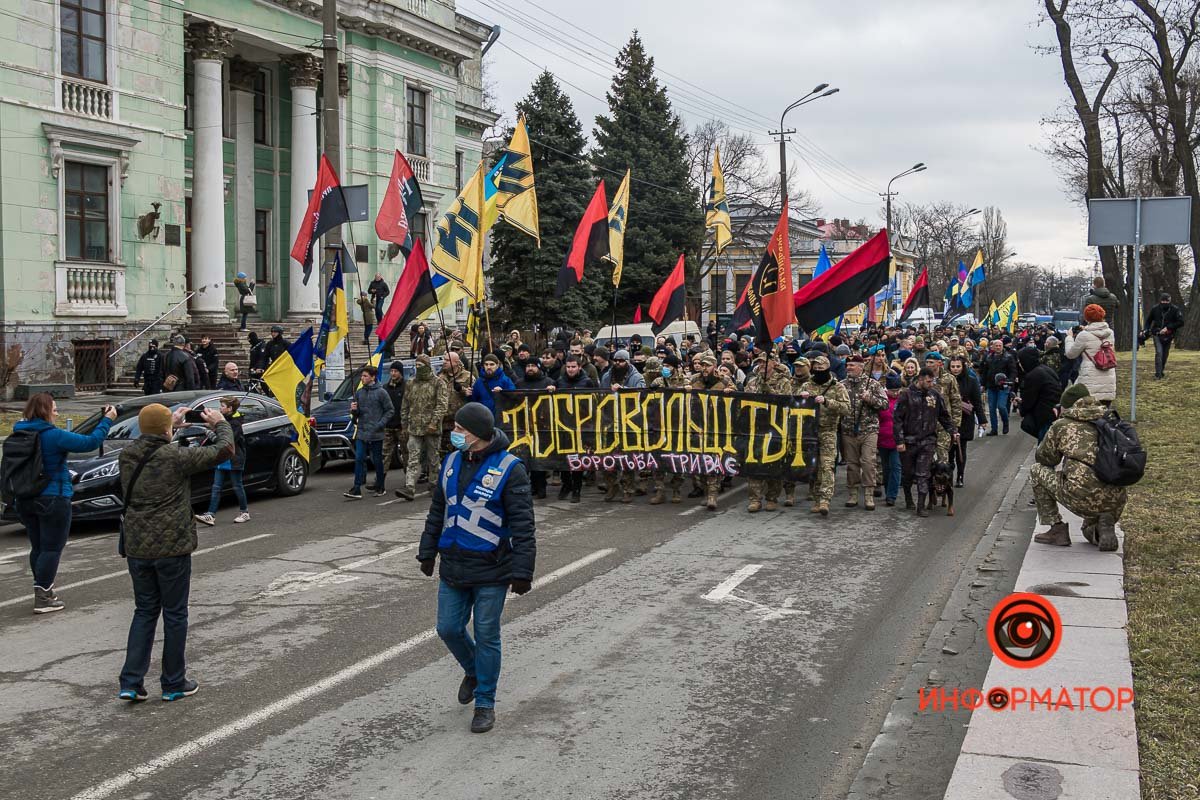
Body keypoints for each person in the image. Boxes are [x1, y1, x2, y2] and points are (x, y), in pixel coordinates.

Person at [417, 402, 536, 734]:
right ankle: (473, 670)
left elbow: (524, 525)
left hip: (493, 568)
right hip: (454, 564)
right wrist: (427, 551)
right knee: (448, 628)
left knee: (486, 635)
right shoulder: (452, 461)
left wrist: (523, 571)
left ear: (478, 434)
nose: (453, 434)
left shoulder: (510, 468)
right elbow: (438, 509)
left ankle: (485, 702)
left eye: (459, 429)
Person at [117, 403, 233, 702]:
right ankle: (173, 681)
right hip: (171, 547)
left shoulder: (127, 455)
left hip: (138, 547)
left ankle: (131, 681)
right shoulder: (175, 457)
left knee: (144, 611)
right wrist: (220, 423)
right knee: (175, 613)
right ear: (166, 430)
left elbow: (152, 441)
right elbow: (223, 450)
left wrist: (169, 426)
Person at [9, 394, 115, 613]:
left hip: (25, 498)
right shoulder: (53, 435)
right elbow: (90, 443)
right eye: (54, 408)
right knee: (52, 547)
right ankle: (44, 597)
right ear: (45, 411)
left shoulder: (19, 432)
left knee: (38, 546)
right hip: (53, 498)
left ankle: (43, 590)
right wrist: (107, 420)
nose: (57, 412)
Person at [1031, 384, 1125, 551]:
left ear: (1067, 406)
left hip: (1081, 496)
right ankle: (1102, 525)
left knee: (1037, 470)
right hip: (1115, 499)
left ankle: (1057, 529)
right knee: (1087, 531)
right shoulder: (1111, 420)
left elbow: (1045, 459)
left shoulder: (1062, 425)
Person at [894, 367, 958, 517]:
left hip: (928, 440)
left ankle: (921, 506)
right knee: (908, 473)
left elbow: (944, 416)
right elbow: (897, 420)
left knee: (923, 473)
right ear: (920, 379)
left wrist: (953, 431)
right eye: (929, 381)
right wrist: (899, 440)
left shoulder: (935, 395)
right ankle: (909, 498)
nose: (931, 383)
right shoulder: (906, 395)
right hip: (909, 441)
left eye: (933, 380)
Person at [794, 355, 850, 516]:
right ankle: (817, 499)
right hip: (809, 432)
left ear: (828, 369)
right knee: (814, 466)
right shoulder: (807, 385)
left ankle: (825, 499)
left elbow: (846, 408)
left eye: (822, 369)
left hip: (828, 430)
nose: (819, 371)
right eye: (816, 369)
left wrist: (827, 401)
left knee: (827, 466)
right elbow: (794, 404)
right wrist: (801, 397)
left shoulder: (837, 387)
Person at [743, 352, 794, 512]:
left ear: (774, 363)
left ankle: (772, 497)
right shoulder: (752, 382)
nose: (761, 365)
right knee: (754, 464)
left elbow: (788, 402)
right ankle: (754, 498)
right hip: (756, 427)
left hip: (776, 428)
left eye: (765, 362)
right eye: (759, 362)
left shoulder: (784, 382)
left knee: (774, 463)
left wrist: (770, 391)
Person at [396, 355, 449, 501]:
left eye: (421, 365)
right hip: (414, 427)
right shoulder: (411, 383)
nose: (418, 368)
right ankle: (409, 487)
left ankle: (434, 484)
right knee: (413, 457)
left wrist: (434, 422)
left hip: (431, 428)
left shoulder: (438, 383)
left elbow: (442, 405)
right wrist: (404, 425)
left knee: (433, 458)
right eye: (416, 365)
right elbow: (405, 405)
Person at [839, 355, 888, 510]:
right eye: (847, 365)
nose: (848, 368)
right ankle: (853, 494)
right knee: (852, 464)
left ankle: (868, 494)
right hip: (848, 429)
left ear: (861, 367)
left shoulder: (872, 384)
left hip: (869, 429)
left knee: (868, 462)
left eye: (852, 365)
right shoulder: (841, 385)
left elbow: (885, 404)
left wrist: (870, 399)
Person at [689, 353, 737, 510]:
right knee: (699, 461)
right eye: (702, 365)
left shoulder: (724, 380)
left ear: (714, 366)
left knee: (713, 460)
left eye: (707, 365)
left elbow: (737, 395)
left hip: (717, 427)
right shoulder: (694, 380)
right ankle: (704, 490)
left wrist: (731, 392)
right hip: (697, 426)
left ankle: (712, 495)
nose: (704, 368)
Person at [194, 397, 250, 525]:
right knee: (216, 487)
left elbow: (226, 442)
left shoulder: (236, 424)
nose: (220, 409)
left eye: (222, 406)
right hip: (222, 458)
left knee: (237, 486)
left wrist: (211, 434)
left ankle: (244, 512)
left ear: (230, 409)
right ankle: (211, 515)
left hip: (234, 459)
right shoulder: (223, 422)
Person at [344, 365, 394, 499]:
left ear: (373, 377)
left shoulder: (381, 392)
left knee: (377, 460)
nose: (362, 378)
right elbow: (357, 414)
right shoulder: (360, 393)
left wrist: (380, 424)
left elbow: (390, 410)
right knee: (359, 458)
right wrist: (354, 410)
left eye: (365, 376)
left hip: (376, 433)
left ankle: (380, 486)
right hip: (362, 431)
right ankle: (356, 488)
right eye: (362, 376)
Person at [553, 356, 598, 503]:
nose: (571, 369)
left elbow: (595, 401)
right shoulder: (560, 382)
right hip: (564, 425)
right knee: (563, 458)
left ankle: (577, 489)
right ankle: (567, 484)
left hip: (581, 426)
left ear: (579, 367)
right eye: (568, 367)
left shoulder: (587, 382)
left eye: (573, 367)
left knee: (577, 458)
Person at [1064, 304, 1116, 404]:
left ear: (1086, 318)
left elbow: (1071, 354)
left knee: (1090, 414)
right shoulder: (1110, 333)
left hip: (1090, 379)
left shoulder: (1083, 335)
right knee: (1104, 412)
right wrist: (1087, 329)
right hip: (1108, 378)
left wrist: (1069, 338)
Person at [948, 355, 986, 487]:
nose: (955, 369)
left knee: (960, 448)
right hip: (947, 419)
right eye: (953, 366)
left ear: (962, 366)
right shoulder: (945, 380)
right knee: (948, 450)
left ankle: (960, 476)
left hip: (965, 418)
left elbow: (977, 401)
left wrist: (982, 419)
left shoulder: (971, 380)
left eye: (958, 366)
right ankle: (948, 475)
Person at [1017, 346, 1062, 443]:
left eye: (1020, 361)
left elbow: (1029, 400)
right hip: (1054, 412)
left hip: (1044, 416)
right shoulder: (1047, 369)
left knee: (1044, 448)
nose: (1019, 364)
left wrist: (1021, 408)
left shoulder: (1033, 375)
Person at [924, 352, 961, 463]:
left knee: (942, 455)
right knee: (926, 456)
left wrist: (955, 425)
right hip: (926, 423)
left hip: (944, 423)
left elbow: (956, 401)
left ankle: (943, 479)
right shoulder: (922, 378)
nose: (928, 365)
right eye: (927, 362)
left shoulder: (949, 379)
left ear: (939, 363)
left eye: (931, 362)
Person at [439, 351, 476, 454]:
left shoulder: (468, 377)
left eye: (447, 360)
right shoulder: (440, 377)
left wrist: (463, 390)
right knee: (444, 454)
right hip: (444, 422)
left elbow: (474, 394)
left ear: (456, 362)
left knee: (462, 452)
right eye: (444, 360)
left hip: (460, 422)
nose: (444, 362)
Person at [979, 338, 1017, 435]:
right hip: (991, 386)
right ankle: (994, 429)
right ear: (992, 347)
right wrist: (983, 384)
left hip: (1003, 386)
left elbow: (1013, 371)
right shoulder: (988, 357)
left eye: (1000, 345)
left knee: (1001, 406)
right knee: (991, 409)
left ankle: (1005, 422)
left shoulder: (1008, 357)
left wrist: (1010, 381)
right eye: (996, 345)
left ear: (1002, 346)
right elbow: (984, 372)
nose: (998, 347)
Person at [1143, 292, 1184, 379]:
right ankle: (1158, 374)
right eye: (1163, 301)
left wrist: (1168, 327)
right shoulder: (1155, 309)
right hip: (1156, 334)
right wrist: (1146, 330)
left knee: (1164, 354)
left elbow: (1180, 322)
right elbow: (1148, 320)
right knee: (1159, 352)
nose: (1165, 303)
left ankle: (1161, 370)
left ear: (1170, 301)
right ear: (1160, 301)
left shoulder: (1175, 309)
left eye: (1167, 301)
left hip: (1169, 335)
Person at [878, 373, 902, 506]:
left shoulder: (903, 399)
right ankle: (888, 491)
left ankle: (892, 495)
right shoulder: (882, 400)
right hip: (882, 439)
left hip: (897, 440)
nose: (895, 393)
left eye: (898, 390)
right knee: (885, 468)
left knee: (896, 466)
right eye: (893, 390)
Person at [381, 361, 407, 476]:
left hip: (402, 427)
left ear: (400, 372)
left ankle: (408, 478)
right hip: (388, 426)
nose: (393, 373)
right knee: (385, 454)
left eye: (395, 371)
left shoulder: (407, 386)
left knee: (406, 453)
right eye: (391, 371)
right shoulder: (385, 388)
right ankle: (380, 479)